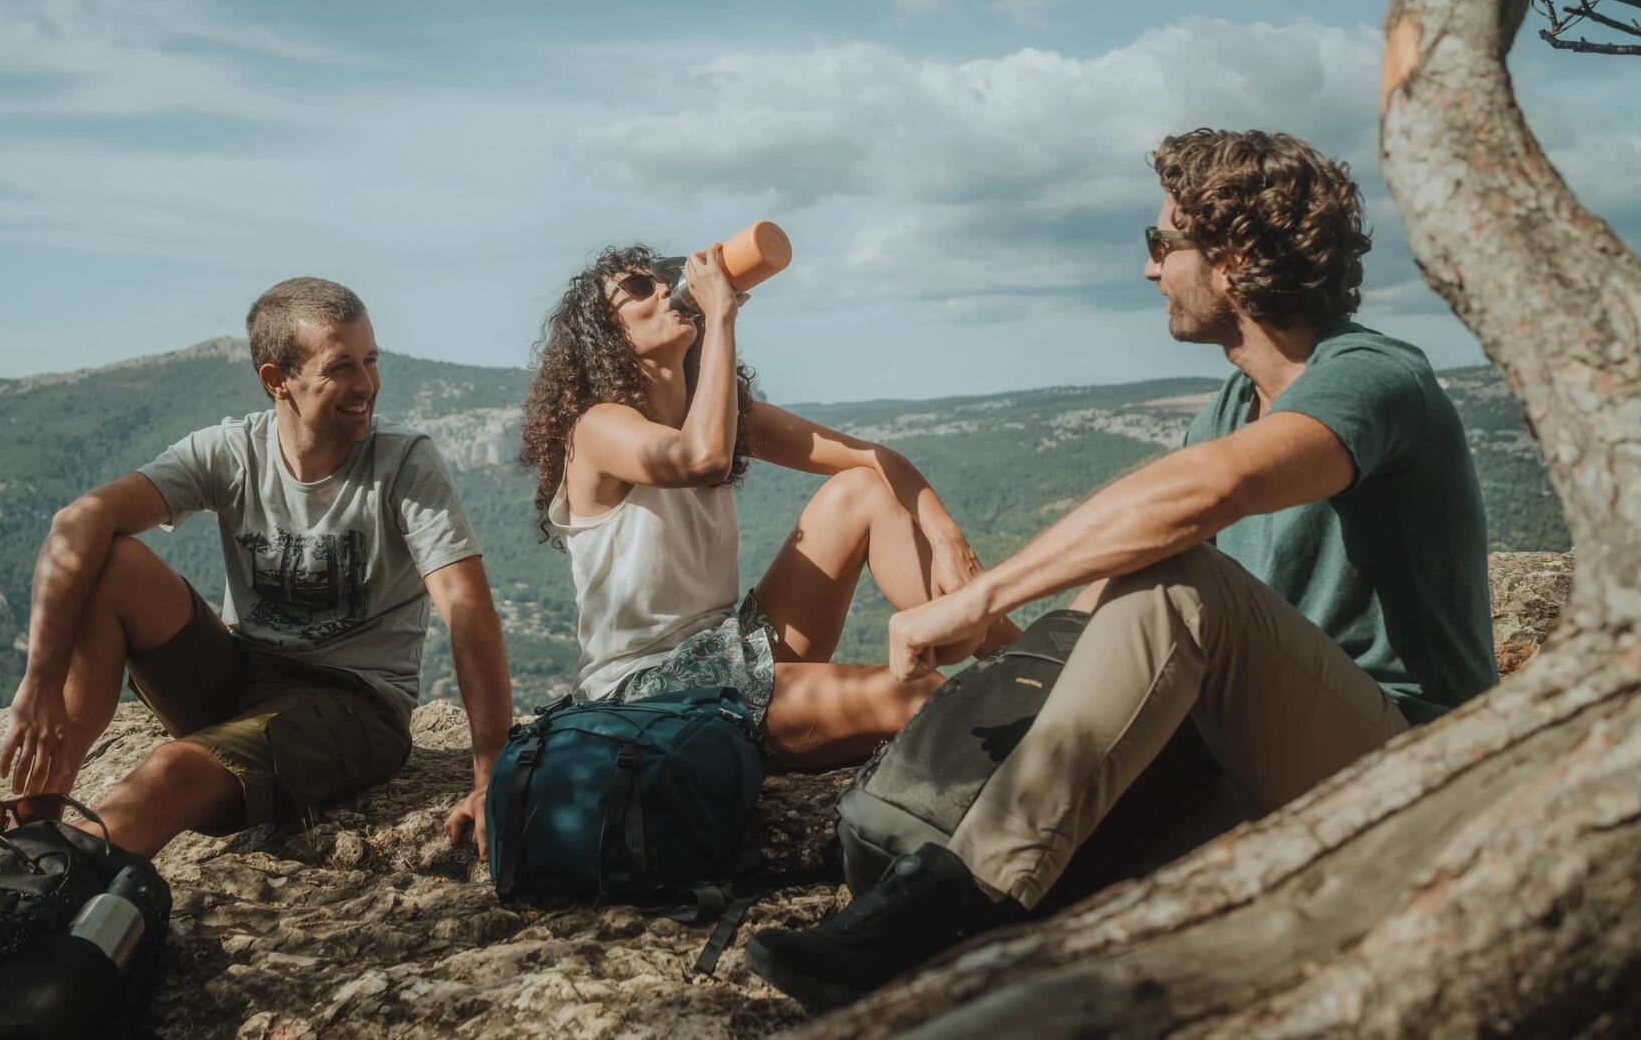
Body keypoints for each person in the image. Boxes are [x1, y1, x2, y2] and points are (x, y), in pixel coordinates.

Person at [743, 129, 1499, 1007]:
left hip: (1406, 770)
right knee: (1070, 901)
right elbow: (1123, 581)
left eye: (1161, 241)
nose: (1148, 268)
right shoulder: (1233, 402)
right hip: (1252, 756)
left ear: (1235, 258)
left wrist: (980, 597)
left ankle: (956, 900)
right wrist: (1012, 660)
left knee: (1183, 578)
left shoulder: (1374, 378)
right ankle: (951, 936)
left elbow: (1203, 496)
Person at [0, 277, 513, 1022]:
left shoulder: (402, 463)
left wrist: (489, 773)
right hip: (244, 677)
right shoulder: (235, 450)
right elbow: (78, 522)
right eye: (341, 366)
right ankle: (36, 822)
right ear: (276, 380)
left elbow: (467, 610)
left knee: (167, 771)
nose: (367, 384)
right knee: (112, 560)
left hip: (351, 705)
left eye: (371, 360)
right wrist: (39, 681)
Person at [518, 243, 991, 768]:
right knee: (923, 696)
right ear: (605, 333)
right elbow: (701, 459)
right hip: (648, 691)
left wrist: (947, 539)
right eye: (637, 287)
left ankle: (1023, 663)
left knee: (862, 490)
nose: (663, 288)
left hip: (729, 647)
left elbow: (877, 460)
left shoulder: (719, 414)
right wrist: (721, 315)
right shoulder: (597, 426)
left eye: (662, 278)